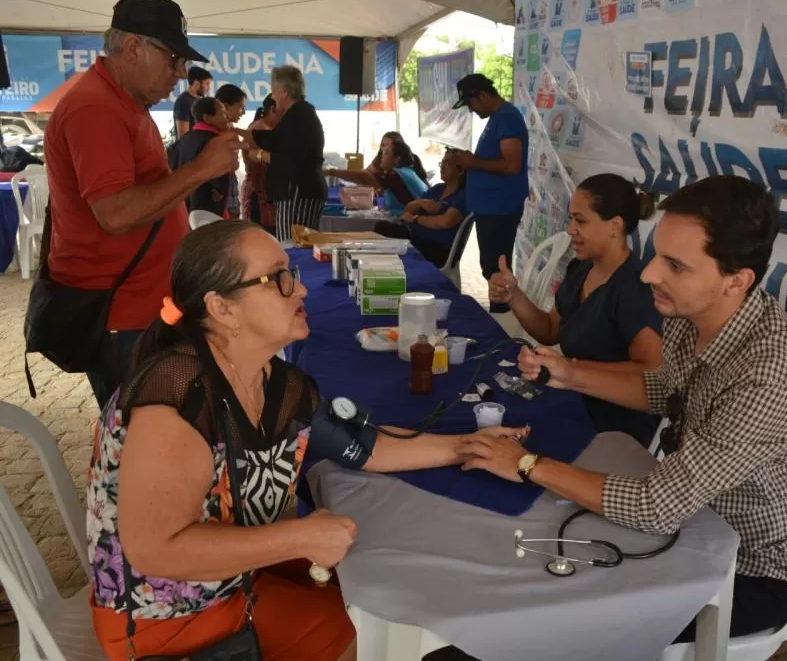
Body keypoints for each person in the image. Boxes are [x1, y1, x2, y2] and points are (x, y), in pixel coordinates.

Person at [87, 220, 524, 660]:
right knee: (359, 624)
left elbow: (364, 446)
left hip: (237, 578)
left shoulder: (275, 381)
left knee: (383, 591)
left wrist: (468, 445)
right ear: (222, 309)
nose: (300, 290)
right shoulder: (178, 399)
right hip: (168, 619)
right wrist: (297, 539)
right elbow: (155, 550)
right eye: (278, 279)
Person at [457, 176, 787, 646]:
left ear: (738, 280)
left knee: (548, 621)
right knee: (527, 558)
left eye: (675, 266)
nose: (649, 275)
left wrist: (527, 464)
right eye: (656, 256)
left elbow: (655, 506)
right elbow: (666, 390)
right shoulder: (692, 318)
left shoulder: (769, 378)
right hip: (690, 527)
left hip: (746, 573)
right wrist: (568, 374)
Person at [43, 0, 240, 411]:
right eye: (173, 59)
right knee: (141, 441)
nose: (180, 72)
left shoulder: (124, 104)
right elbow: (115, 213)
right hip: (122, 314)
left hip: (142, 305)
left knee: (154, 426)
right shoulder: (96, 108)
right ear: (134, 48)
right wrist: (201, 169)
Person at [489, 174, 663, 446]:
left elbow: (652, 371)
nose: (570, 229)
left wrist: (571, 369)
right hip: (573, 396)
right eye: (571, 219)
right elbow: (549, 330)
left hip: (614, 423)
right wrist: (514, 296)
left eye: (580, 221)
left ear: (614, 225)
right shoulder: (581, 270)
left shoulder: (635, 287)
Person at [450, 73, 529, 313]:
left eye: (472, 104)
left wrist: (473, 163)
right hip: (491, 208)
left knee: (497, 269)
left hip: (501, 207)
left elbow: (511, 164)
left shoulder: (507, 119)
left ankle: (503, 317)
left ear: (483, 95)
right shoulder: (497, 119)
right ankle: (500, 315)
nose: (471, 110)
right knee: (491, 267)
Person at [245, 66, 325, 242]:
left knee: (293, 245)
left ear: (284, 92)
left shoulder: (299, 115)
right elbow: (274, 140)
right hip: (299, 191)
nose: (272, 96)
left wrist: (259, 155)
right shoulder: (299, 114)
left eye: (273, 91)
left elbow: (290, 159)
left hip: (298, 191)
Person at [372, 149, 468, 267]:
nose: (442, 167)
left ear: (460, 170)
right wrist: (421, 202)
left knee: (389, 239)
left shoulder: (463, 195)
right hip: (416, 236)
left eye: (447, 163)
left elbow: (445, 222)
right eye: (441, 163)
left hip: (437, 248)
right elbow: (408, 209)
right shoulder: (438, 189)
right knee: (382, 227)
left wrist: (416, 219)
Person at [325, 138, 428, 216]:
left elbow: (364, 177)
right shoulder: (408, 172)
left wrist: (331, 172)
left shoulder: (395, 175)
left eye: (386, 153)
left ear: (397, 159)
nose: (382, 156)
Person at [175, 97, 231, 218]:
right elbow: (220, 170)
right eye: (222, 113)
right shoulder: (214, 140)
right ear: (207, 118)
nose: (227, 117)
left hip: (186, 205)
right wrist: (220, 188)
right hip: (207, 206)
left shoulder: (186, 138)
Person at [241, 95, 280, 234]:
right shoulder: (261, 130)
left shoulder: (262, 127)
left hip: (261, 194)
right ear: (273, 109)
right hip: (261, 195)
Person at [214, 84, 248, 219]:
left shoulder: (230, 127)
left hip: (230, 184)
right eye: (241, 107)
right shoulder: (214, 132)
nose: (244, 112)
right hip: (220, 188)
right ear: (226, 107)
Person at [172, 65, 212, 140]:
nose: (209, 87)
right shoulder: (183, 101)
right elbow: (183, 136)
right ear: (196, 83)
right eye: (207, 83)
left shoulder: (199, 101)